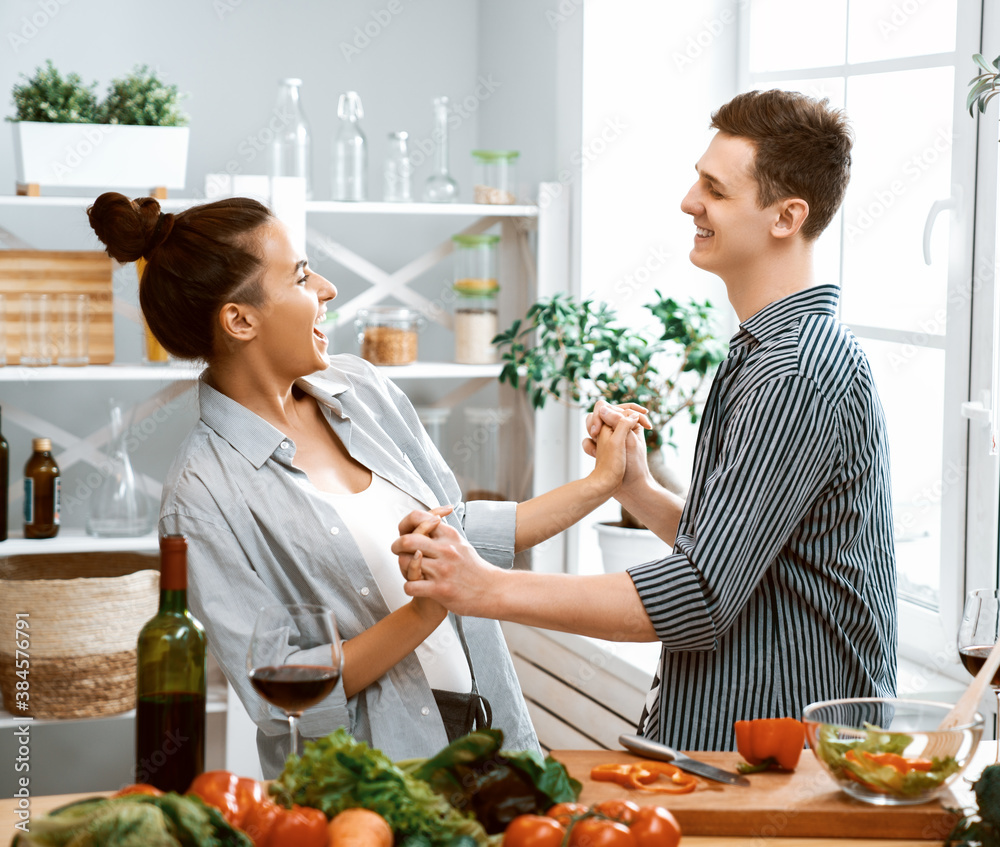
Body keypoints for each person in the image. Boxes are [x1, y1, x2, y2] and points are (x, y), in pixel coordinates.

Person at [395, 89, 898, 751]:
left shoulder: (794, 367)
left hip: (786, 769)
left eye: (714, 189)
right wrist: (640, 493)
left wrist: (486, 586)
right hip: (745, 750)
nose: (690, 201)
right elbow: (750, 559)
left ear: (786, 216)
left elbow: (698, 595)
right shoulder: (768, 352)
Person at [86, 192, 633, 777]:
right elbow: (277, 696)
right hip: (370, 786)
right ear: (240, 319)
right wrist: (425, 613)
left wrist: (603, 482)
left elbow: (462, 535)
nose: (326, 288)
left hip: (497, 743)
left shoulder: (362, 390)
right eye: (299, 276)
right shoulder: (201, 496)